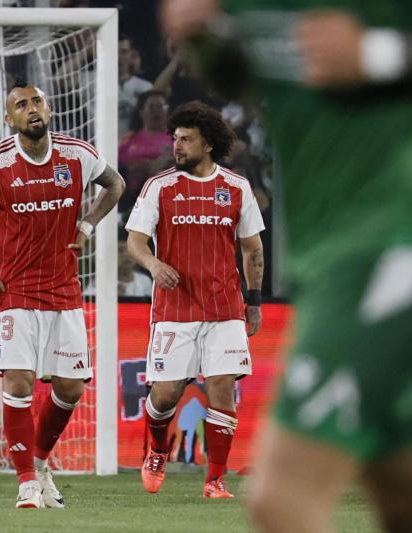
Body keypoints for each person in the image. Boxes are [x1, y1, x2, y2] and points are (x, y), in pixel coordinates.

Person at [161, 1, 412, 532]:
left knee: (282, 500)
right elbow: (258, 78)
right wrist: (204, 38)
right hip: (325, 260)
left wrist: (377, 52)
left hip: (390, 243)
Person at [0, 82, 125, 509]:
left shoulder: (77, 154)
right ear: (9, 119)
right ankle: (26, 483)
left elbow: (114, 185)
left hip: (63, 290)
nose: (31, 109)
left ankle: (40, 463)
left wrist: (87, 225)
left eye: (36, 101)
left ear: (50, 108)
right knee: (19, 383)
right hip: (13, 291)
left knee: (71, 388)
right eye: (21, 105)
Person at [125, 101, 265, 499]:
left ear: (208, 144)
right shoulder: (160, 186)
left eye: (186, 139)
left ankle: (215, 479)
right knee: (166, 393)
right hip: (175, 310)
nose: (177, 146)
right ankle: (156, 447)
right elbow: (135, 241)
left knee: (221, 389)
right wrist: (153, 264)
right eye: (175, 138)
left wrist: (252, 302)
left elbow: (252, 249)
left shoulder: (236, 188)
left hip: (224, 309)